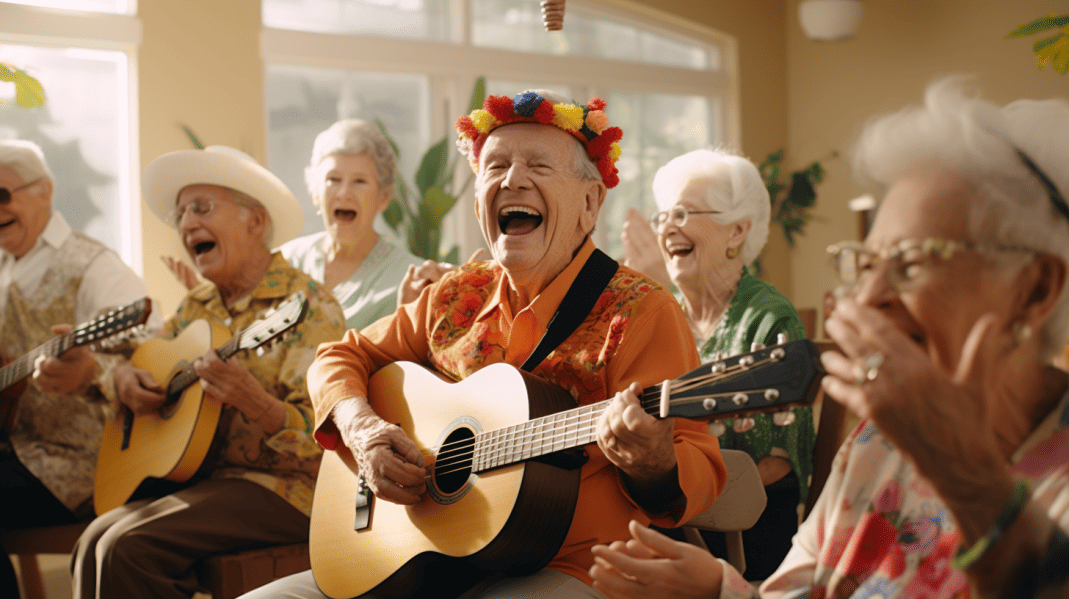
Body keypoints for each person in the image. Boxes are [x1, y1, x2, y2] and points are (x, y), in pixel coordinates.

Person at [588, 77, 1069, 598]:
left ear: (1035, 289)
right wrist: (720, 592)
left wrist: (962, 472)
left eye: (912, 262)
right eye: (867, 263)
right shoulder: (877, 441)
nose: (870, 297)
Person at [240, 90, 727, 599]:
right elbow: (339, 356)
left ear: (589, 203)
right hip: (415, 556)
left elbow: (695, 462)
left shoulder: (640, 310)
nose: (513, 179)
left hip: (576, 567)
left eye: (539, 164)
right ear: (478, 203)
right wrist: (363, 431)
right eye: (495, 166)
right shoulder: (455, 294)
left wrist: (655, 463)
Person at [70, 145, 347, 599]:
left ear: (255, 221)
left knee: (128, 546)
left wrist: (254, 400)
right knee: (95, 540)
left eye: (201, 208)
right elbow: (149, 364)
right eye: (181, 214)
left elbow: (325, 441)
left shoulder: (309, 306)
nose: (186, 224)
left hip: (289, 491)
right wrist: (122, 381)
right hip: (209, 485)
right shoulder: (196, 306)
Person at [624, 148, 815, 581]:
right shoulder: (659, 314)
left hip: (744, 530)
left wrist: (680, 492)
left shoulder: (770, 317)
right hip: (666, 510)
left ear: (737, 232)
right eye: (662, 217)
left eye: (684, 214)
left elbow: (777, 465)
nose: (667, 227)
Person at [0, 140, 161, 598]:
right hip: (15, 451)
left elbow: (153, 348)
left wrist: (93, 369)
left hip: (76, 463)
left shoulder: (93, 264)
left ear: (44, 191)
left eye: (2, 195)